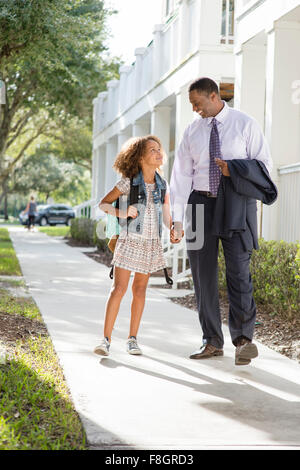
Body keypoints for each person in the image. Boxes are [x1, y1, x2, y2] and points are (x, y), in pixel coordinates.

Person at [170, 77, 273, 366]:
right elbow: (181, 176)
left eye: (198, 104)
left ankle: (243, 341)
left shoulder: (245, 124)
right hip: (199, 204)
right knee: (202, 276)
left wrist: (234, 171)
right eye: (192, 105)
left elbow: (264, 164)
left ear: (214, 96)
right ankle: (212, 341)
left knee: (239, 273)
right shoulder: (192, 131)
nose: (195, 110)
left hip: (236, 203)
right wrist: (177, 219)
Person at [94, 135, 172, 357]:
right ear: (140, 158)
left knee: (139, 290)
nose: (158, 153)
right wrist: (122, 212)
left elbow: (166, 217)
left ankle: (132, 339)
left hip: (150, 243)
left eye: (159, 149)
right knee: (119, 289)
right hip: (129, 241)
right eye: (152, 150)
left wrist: (174, 228)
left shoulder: (162, 185)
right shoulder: (128, 182)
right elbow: (103, 204)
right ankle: (105, 340)